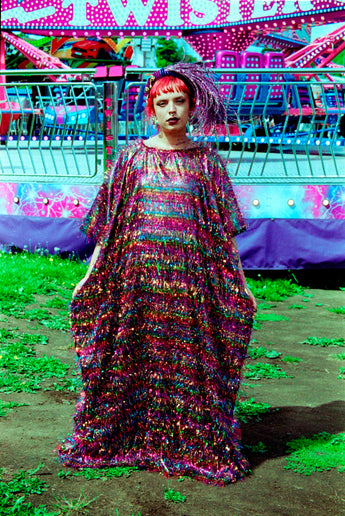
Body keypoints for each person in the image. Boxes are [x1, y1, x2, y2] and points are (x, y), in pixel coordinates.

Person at [57, 62, 256, 485]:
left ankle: (185, 439)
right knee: (135, 354)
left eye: (179, 102)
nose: (171, 110)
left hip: (189, 286)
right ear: (151, 109)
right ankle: (132, 434)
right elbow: (110, 224)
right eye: (162, 103)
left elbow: (222, 231)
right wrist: (91, 273)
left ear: (192, 107)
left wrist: (239, 281)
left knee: (187, 358)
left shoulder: (208, 163)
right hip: (137, 282)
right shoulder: (130, 158)